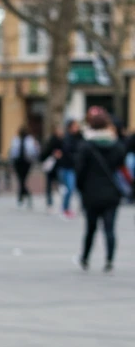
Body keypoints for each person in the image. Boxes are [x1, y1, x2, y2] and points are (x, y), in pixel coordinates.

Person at [76, 106, 126, 272]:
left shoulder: (86, 146)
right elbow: (121, 166)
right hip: (111, 192)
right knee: (109, 228)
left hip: (91, 193)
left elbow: (80, 171)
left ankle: (85, 258)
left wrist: (81, 189)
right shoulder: (117, 145)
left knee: (90, 228)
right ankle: (109, 259)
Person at [9, 126, 40, 206]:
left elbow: (34, 150)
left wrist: (33, 157)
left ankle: (21, 197)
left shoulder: (30, 140)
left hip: (27, 162)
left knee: (22, 180)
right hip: (18, 162)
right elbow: (12, 151)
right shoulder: (16, 139)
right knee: (21, 180)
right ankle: (25, 196)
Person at [60, 118, 82, 217]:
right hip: (68, 167)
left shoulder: (80, 137)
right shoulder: (67, 138)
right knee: (70, 188)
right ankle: (65, 208)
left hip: (76, 167)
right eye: (74, 126)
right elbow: (67, 152)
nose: (76, 128)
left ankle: (81, 207)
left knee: (78, 188)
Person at [41, 124, 63, 211]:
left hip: (59, 166)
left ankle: (60, 203)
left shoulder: (62, 141)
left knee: (59, 185)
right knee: (50, 185)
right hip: (51, 166)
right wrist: (53, 154)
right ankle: (50, 203)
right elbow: (45, 153)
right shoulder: (51, 141)